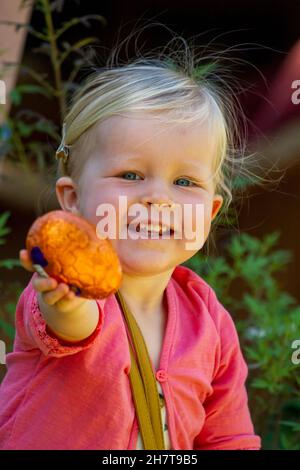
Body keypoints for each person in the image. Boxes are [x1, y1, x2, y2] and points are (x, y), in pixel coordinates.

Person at [0, 34, 261, 450]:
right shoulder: (69, 291)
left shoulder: (209, 319)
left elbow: (228, 436)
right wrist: (64, 300)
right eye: (131, 175)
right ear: (73, 199)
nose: (157, 197)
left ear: (210, 213)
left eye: (184, 182)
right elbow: (71, 325)